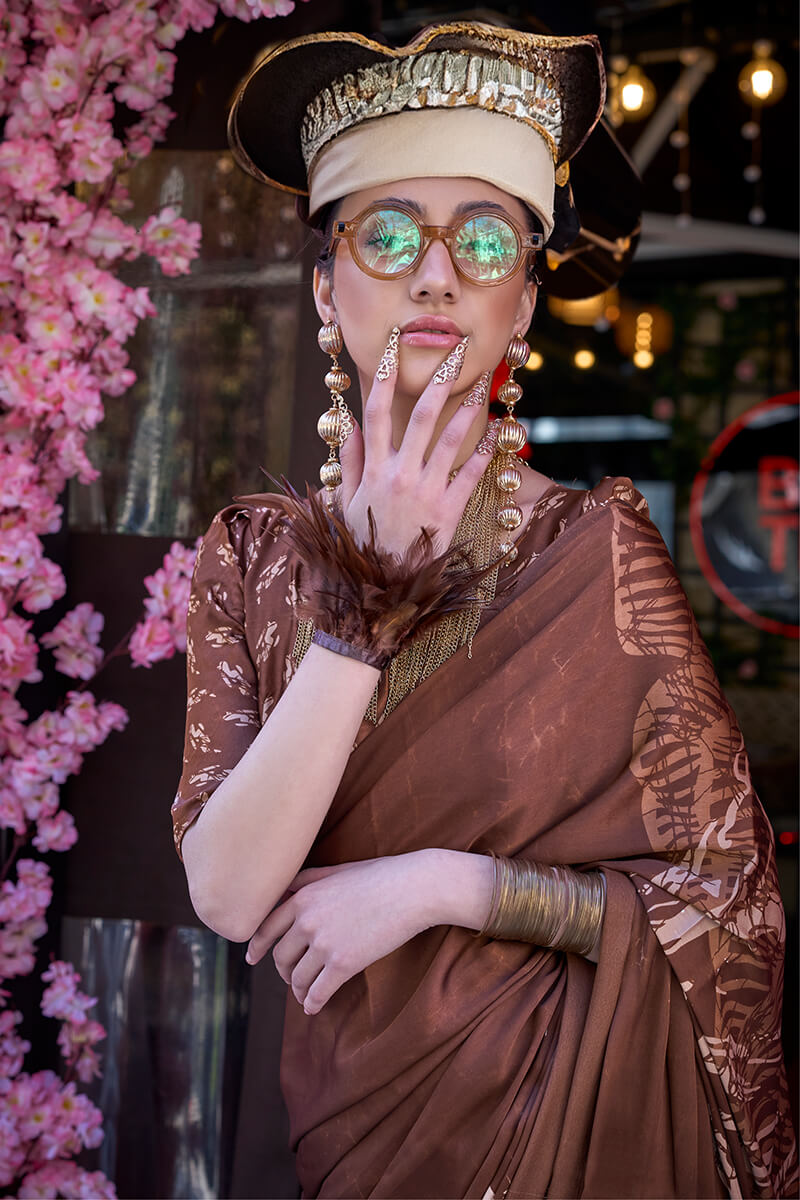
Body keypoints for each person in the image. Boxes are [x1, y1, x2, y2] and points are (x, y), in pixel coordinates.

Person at [171, 21, 798, 1200]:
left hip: (571, 1132)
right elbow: (228, 891)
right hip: (352, 1118)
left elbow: (729, 901)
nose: (434, 274)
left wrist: (442, 886)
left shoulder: (595, 551)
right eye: (389, 231)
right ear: (324, 282)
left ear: (520, 308)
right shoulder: (249, 558)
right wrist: (366, 595)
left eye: (485, 240)